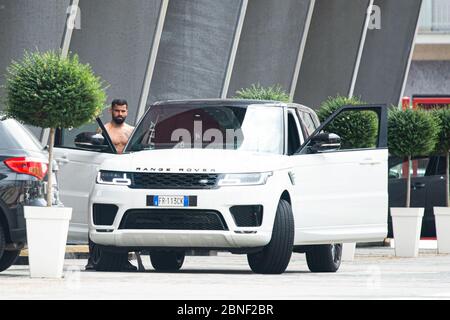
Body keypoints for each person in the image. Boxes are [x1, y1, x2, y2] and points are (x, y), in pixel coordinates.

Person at [85, 99, 139, 271]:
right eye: (117, 111)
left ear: (127, 112)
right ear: (111, 111)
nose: (120, 114)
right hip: (109, 176)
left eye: (123, 111)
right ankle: (93, 259)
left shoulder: (131, 131)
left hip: (127, 177)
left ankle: (124, 259)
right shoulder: (104, 130)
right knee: (102, 216)